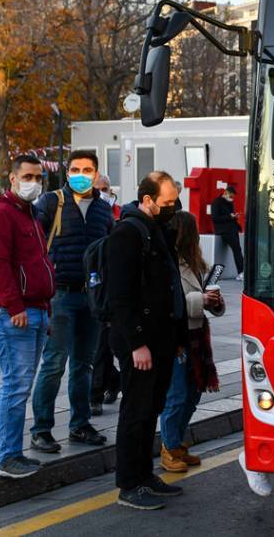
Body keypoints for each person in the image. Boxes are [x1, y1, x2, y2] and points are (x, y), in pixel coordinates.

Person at [107, 171, 187, 510]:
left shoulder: (158, 230)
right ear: (147, 199)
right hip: (139, 343)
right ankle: (129, 483)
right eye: (167, 202)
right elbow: (120, 296)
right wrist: (137, 343)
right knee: (136, 411)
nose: (173, 208)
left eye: (174, 202)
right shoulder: (127, 233)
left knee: (152, 407)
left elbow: (170, 286)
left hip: (163, 338)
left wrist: (178, 337)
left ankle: (145, 474)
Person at [29, 151, 114, 453]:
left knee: (84, 364)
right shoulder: (51, 202)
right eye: (75, 169)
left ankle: (80, 424)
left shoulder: (104, 210)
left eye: (87, 169)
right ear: (66, 172)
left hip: (91, 296)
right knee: (54, 364)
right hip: (61, 296)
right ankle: (41, 429)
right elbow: (31, 240)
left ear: (96, 173)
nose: (81, 173)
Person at [0, 155, 54, 479]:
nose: (33, 182)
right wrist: (15, 308)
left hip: (34, 309)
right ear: (12, 178)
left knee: (16, 385)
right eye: (27, 176)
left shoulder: (30, 214)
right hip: (11, 311)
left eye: (38, 177)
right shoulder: (0, 213)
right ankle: (9, 455)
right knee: (16, 386)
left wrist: (42, 309)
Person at [159, 211, 225, 473]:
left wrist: (215, 302)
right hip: (176, 336)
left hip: (197, 335)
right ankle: (169, 446)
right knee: (176, 395)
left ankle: (177, 442)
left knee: (194, 392)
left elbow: (208, 301)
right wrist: (201, 301)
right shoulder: (167, 263)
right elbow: (166, 303)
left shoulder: (196, 261)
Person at [90, 173, 122, 415]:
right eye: (98, 188)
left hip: (108, 288)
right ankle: (113, 381)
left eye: (106, 188)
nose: (103, 192)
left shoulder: (118, 213)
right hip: (89, 285)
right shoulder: (89, 214)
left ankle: (96, 394)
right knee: (94, 348)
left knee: (103, 346)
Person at [211, 185, 245, 280]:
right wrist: (230, 216)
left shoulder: (229, 203)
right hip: (224, 231)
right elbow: (215, 218)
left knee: (237, 249)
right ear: (226, 192)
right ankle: (240, 272)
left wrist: (234, 216)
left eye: (233, 196)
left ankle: (241, 271)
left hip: (232, 229)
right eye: (231, 195)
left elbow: (230, 215)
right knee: (237, 250)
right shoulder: (217, 202)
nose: (232, 198)